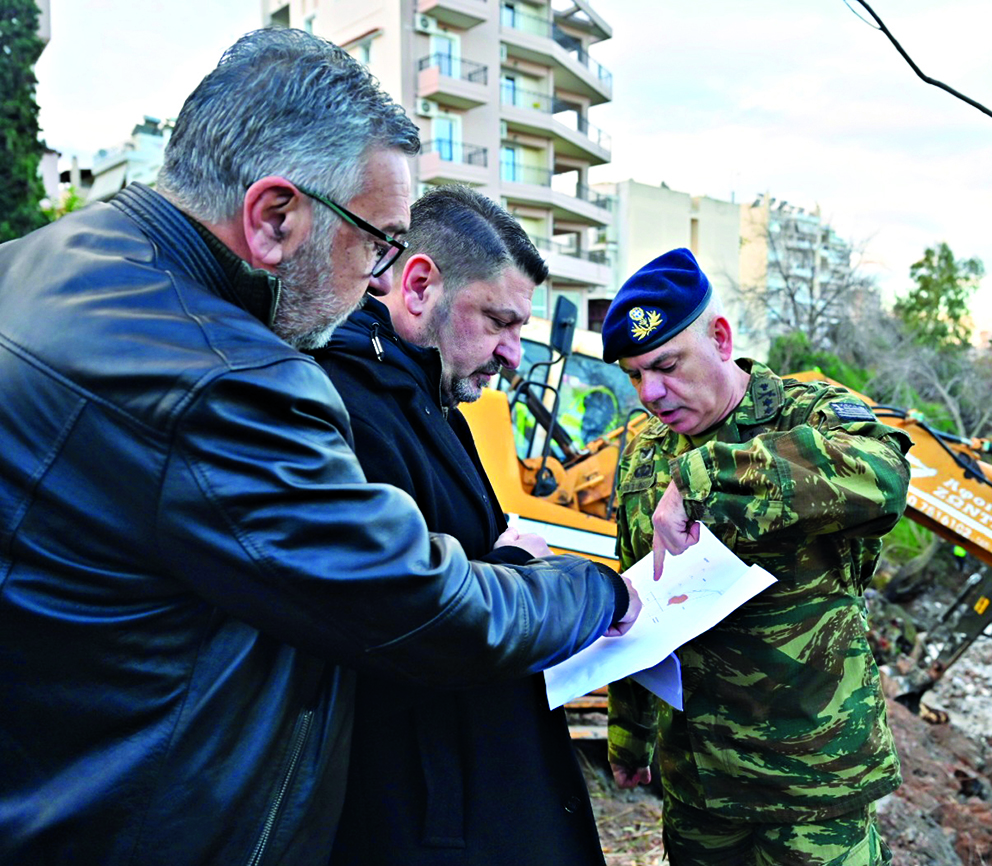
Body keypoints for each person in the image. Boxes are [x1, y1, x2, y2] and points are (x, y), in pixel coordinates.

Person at [0, 29, 636, 866]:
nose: (379, 278)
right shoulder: (233, 380)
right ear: (275, 218)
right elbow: (420, 607)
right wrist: (592, 590)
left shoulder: (29, 266)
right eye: (378, 242)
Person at [312, 185, 606, 866]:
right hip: (425, 824)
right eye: (499, 321)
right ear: (419, 285)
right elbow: (395, 625)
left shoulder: (432, 400)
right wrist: (524, 571)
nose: (513, 354)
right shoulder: (345, 409)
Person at [601, 248, 911, 865]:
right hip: (699, 791)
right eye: (635, 376)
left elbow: (885, 479)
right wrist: (629, 736)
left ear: (720, 338)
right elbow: (634, 605)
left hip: (812, 786)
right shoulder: (643, 455)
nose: (651, 393)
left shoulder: (807, 413)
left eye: (665, 365)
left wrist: (702, 477)